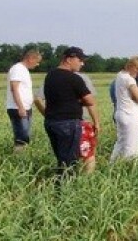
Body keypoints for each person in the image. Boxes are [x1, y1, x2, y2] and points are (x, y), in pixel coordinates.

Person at [40, 47, 100, 177]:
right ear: (69, 59)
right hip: (68, 123)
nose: (82, 63)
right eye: (80, 60)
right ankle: (65, 185)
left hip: (51, 122)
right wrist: (78, 101)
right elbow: (90, 101)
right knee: (69, 161)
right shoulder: (74, 78)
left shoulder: (50, 75)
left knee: (61, 158)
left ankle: (60, 181)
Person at [110, 57, 138, 161]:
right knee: (132, 147)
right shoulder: (129, 79)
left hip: (120, 112)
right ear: (131, 66)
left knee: (120, 143)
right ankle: (130, 167)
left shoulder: (120, 75)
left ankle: (112, 164)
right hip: (129, 115)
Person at [5, 48, 42, 152]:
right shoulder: (18, 69)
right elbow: (14, 88)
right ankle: (18, 157)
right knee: (21, 137)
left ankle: (23, 155)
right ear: (30, 58)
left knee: (25, 136)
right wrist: (20, 107)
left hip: (25, 108)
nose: (37, 64)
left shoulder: (24, 70)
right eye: (37, 61)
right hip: (17, 108)